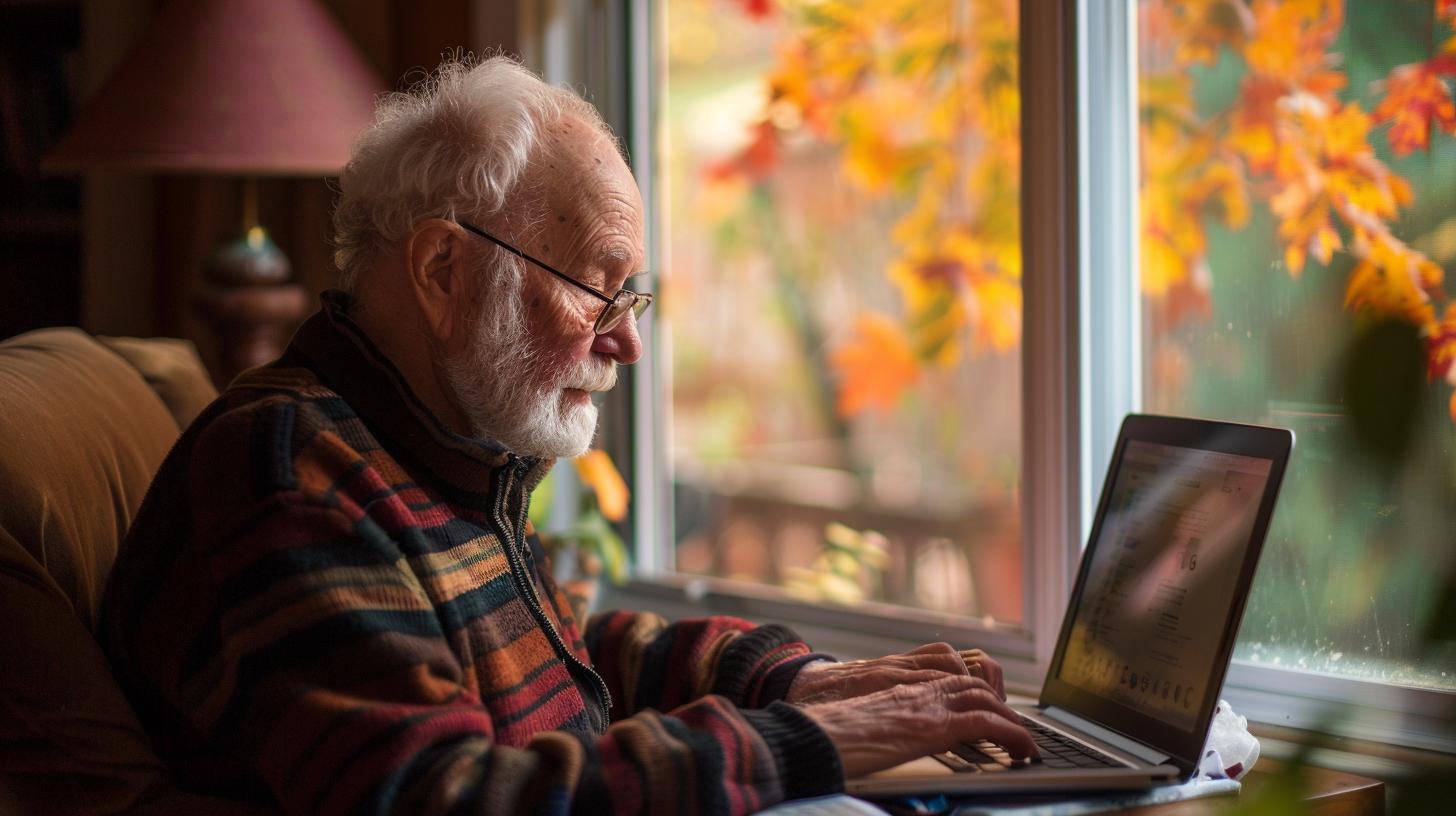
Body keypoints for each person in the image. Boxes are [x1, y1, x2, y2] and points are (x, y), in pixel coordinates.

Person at [101, 56, 1034, 815]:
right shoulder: (292, 468)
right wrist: (813, 744)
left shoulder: (435, 445)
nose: (627, 338)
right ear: (442, 267)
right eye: (600, 285)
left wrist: (792, 681)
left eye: (633, 296)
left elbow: (559, 657)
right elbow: (437, 797)